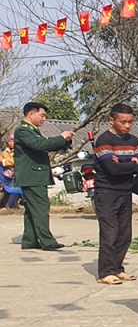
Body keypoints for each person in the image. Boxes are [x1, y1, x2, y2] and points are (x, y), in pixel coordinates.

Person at [13, 101, 74, 250]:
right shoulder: (23, 130)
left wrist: (64, 141)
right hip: (32, 176)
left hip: (33, 175)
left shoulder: (32, 130)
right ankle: (47, 241)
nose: (44, 119)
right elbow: (40, 145)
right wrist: (60, 137)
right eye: (42, 115)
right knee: (41, 207)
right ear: (30, 114)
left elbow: (44, 144)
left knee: (31, 209)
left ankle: (30, 240)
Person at [92, 103, 138, 285]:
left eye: (130, 122)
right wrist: (131, 162)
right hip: (106, 192)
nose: (127, 125)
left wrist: (123, 162)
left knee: (124, 234)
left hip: (125, 191)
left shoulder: (133, 140)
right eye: (123, 122)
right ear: (112, 120)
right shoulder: (104, 140)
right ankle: (106, 272)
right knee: (109, 233)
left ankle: (118, 268)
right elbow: (112, 168)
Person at [0, 135, 21, 209]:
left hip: (16, 174)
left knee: (15, 190)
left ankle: (10, 205)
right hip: (6, 175)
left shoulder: (19, 151)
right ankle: (5, 204)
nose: (11, 143)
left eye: (13, 141)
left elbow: (14, 161)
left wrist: (4, 161)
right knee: (6, 191)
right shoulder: (5, 152)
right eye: (10, 141)